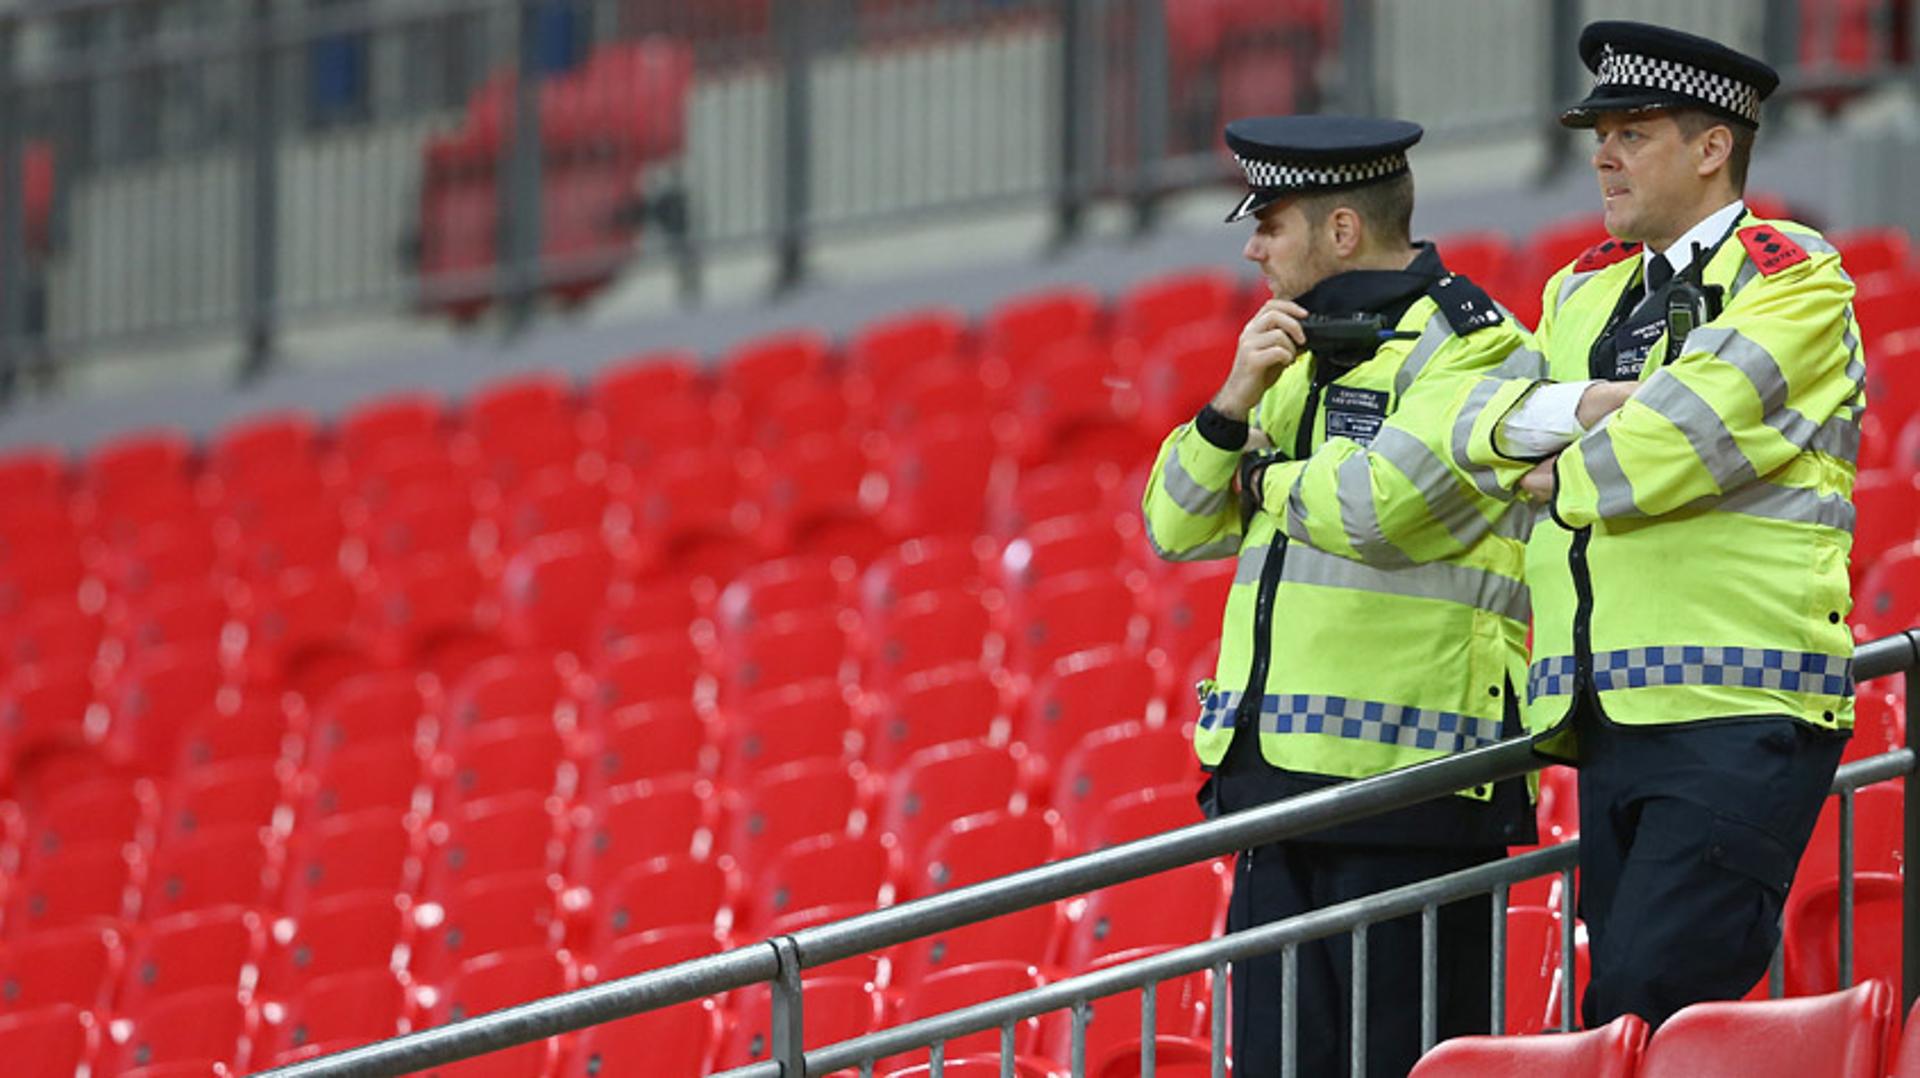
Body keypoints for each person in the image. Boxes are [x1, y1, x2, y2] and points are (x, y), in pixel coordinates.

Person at [1444, 21, 1864, 1029]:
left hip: (1740, 704)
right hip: (1609, 717)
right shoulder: (1578, 289)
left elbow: (1681, 439)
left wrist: (1561, 451)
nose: (1602, 154)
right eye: (1602, 133)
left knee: (1651, 1005)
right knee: (1622, 1021)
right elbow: (1474, 425)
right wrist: (1594, 413)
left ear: (1713, 146)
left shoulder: (1794, 277)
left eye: (1632, 132)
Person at [1141, 114, 1540, 1078]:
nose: (1252, 246)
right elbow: (1173, 523)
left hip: (1414, 795)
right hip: (1276, 791)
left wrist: (1265, 479)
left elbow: (1372, 509)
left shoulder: (1476, 350)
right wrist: (1232, 403)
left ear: (1342, 231)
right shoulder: (1293, 353)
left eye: (1270, 222)